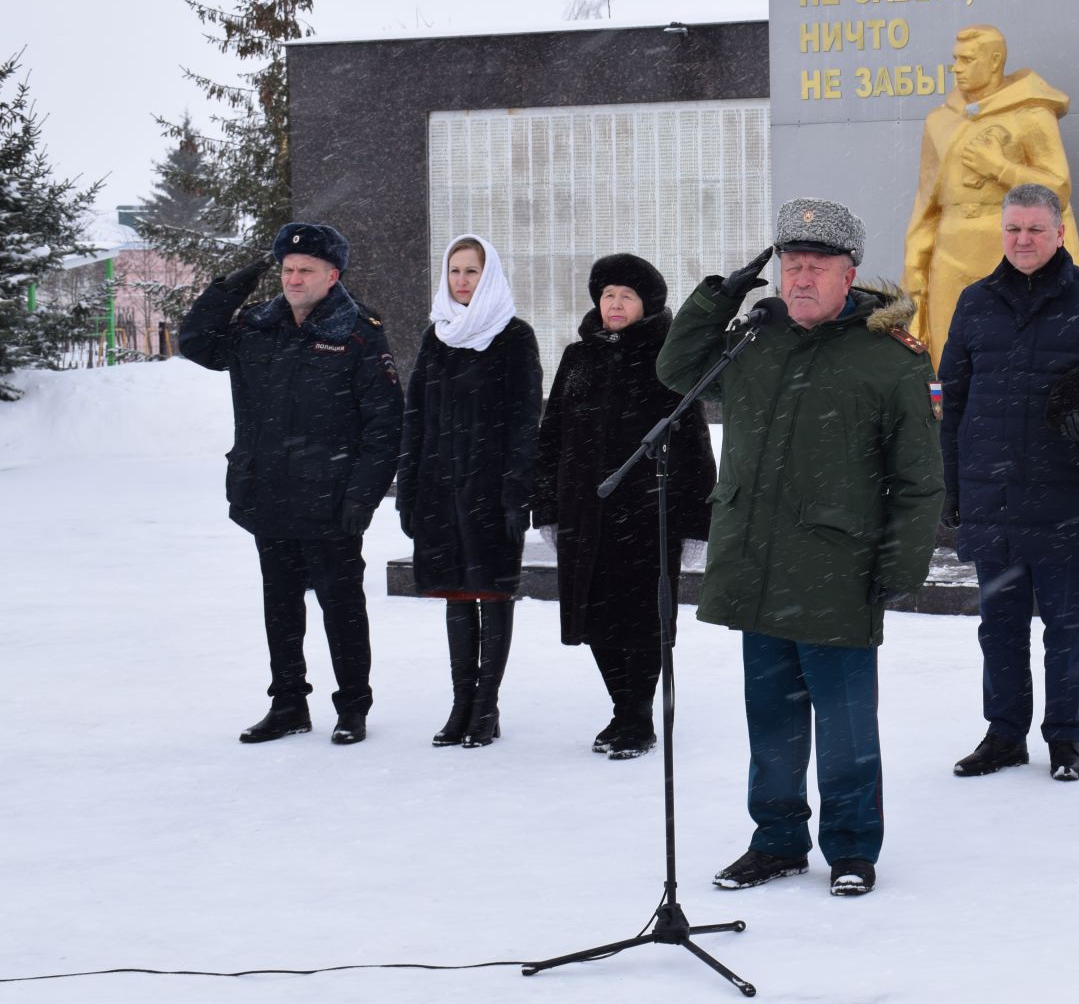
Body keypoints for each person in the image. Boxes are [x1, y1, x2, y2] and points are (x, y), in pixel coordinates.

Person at [658, 199, 941, 898]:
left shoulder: (888, 359)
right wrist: (722, 293)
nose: (801, 279)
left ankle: (850, 848)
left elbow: (918, 479)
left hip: (837, 570)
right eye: (791, 265)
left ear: (850, 276)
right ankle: (777, 840)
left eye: (816, 267)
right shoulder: (755, 341)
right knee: (773, 721)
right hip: (760, 565)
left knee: (846, 727)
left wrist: (899, 567)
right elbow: (676, 367)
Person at [939, 182, 1079, 783]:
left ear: (1058, 232)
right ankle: (1004, 735)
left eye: (1034, 229)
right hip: (992, 494)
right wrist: (952, 486)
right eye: (1013, 229)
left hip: (1062, 492)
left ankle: (1063, 738)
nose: (1022, 239)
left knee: (1065, 626)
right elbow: (953, 399)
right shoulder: (975, 302)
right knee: (998, 627)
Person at [179, 222, 402, 745]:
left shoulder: (358, 333)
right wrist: (234, 283)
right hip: (270, 492)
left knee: (340, 605)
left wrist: (362, 496)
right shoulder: (257, 326)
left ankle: (353, 707)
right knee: (280, 604)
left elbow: (386, 425)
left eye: (306, 270)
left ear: (333, 275)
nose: (294, 278)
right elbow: (194, 343)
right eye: (286, 269)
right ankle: (288, 704)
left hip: (331, 500)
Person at [532, 254, 714, 760]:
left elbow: (695, 440)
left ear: (646, 305)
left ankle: (636, 716)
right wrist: (546, 503)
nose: (614, 304)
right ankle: (621, 707)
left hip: (647, 514)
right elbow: (553, 435)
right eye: (608, 294)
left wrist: (697, 520)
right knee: (595, 617)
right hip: (585, 512)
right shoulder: (577, 356)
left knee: (641, 620)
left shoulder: (667, 358)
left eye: (626, 296)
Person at [394, 235, 542, 749]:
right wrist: (408, 489)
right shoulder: (437, 335)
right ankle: (460, 704)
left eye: (472, 271)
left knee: (493, 595)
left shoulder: (514, 336)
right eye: (454, 270)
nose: (461, 280)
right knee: (456, 597)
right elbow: (415, 418)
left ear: (490, 276)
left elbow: (527, 420)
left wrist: (515, 492)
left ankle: (487, 707)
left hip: (490, 491)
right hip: (438, 489)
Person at [902, 24, 1079, 366]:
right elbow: (926, 201)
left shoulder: (1031, 113)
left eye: (968, 59)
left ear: (995, 60)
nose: (957, 67)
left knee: (1019, 356)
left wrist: (999, 167)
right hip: (951, 251)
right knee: (948, 358)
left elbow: (1057, 189)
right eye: (955, 59)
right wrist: (915, 262)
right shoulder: (940, 121)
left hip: (1012, 251)